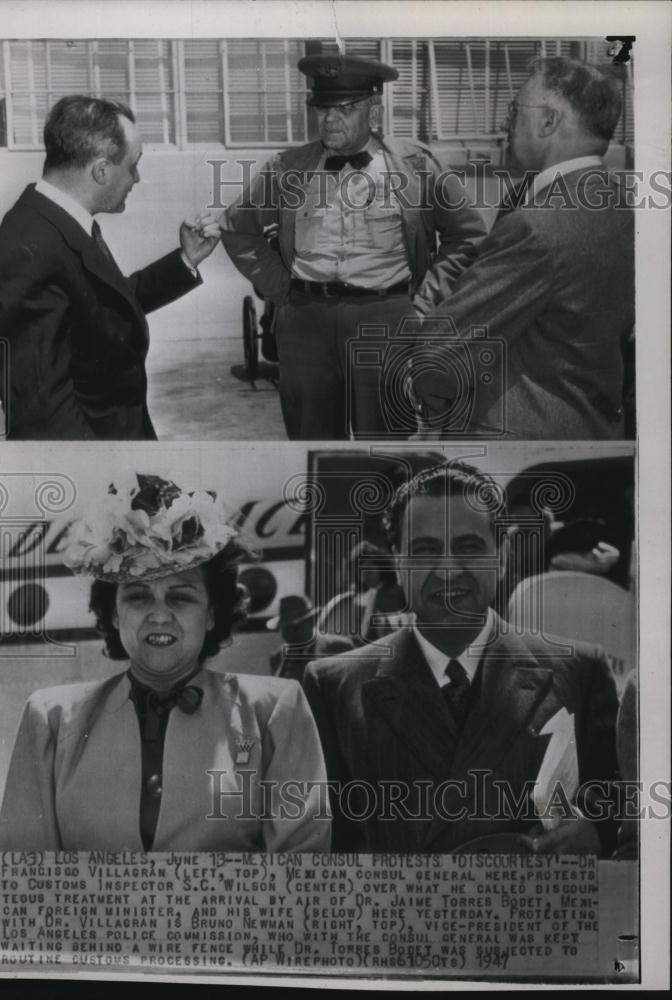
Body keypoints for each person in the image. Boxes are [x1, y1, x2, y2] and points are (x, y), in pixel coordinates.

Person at [0, 474, 330, 853]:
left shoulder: (275, 712)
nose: (159, 615)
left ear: (211, 613)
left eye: (181, 597)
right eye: (138, 596)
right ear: (114, 614)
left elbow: (302, 879)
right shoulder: (51, 720)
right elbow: (23, 883)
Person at [303, 460, 620, 853]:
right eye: (424, 550)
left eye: (469, 547)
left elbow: (619, 810)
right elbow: (319, 849)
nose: (448, 569)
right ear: (398, 563)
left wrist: (597, 834)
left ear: (502, 555)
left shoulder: (581, 671)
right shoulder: (332, 685)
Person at [220, 53, 487, 440]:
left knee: (385, 448)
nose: (329, 119)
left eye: (344, 109)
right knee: (312, 447)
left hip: (386, 320)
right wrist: (282, 288)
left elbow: (468, 236)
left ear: (373, 112)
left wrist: (423, 303)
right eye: (322, 108)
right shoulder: (287, 169)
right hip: (305, 322)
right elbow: (237, 229)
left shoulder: (416, 165)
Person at [410, 56, 635, 440]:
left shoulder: (538, 224)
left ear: (548, 122)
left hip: (515, 443)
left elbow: (440, 352)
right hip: (589, 430)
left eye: (514, 111)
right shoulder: (614, 202)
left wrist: (433, 412)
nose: (503, 124)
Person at [0, 95, 221, 440]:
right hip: (97, 471)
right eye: (133, 165)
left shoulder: (59, 222)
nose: (136, 179)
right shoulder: (27, 249)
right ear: (101, 170)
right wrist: (104, 481)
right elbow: (41, 413)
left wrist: (185, 260)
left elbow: (102, 305)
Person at [267, 594, 354, 682]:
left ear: (310, 622)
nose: (289, 635)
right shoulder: (278, 657)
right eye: (284, 629)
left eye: (294, 628)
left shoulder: (338, 647)